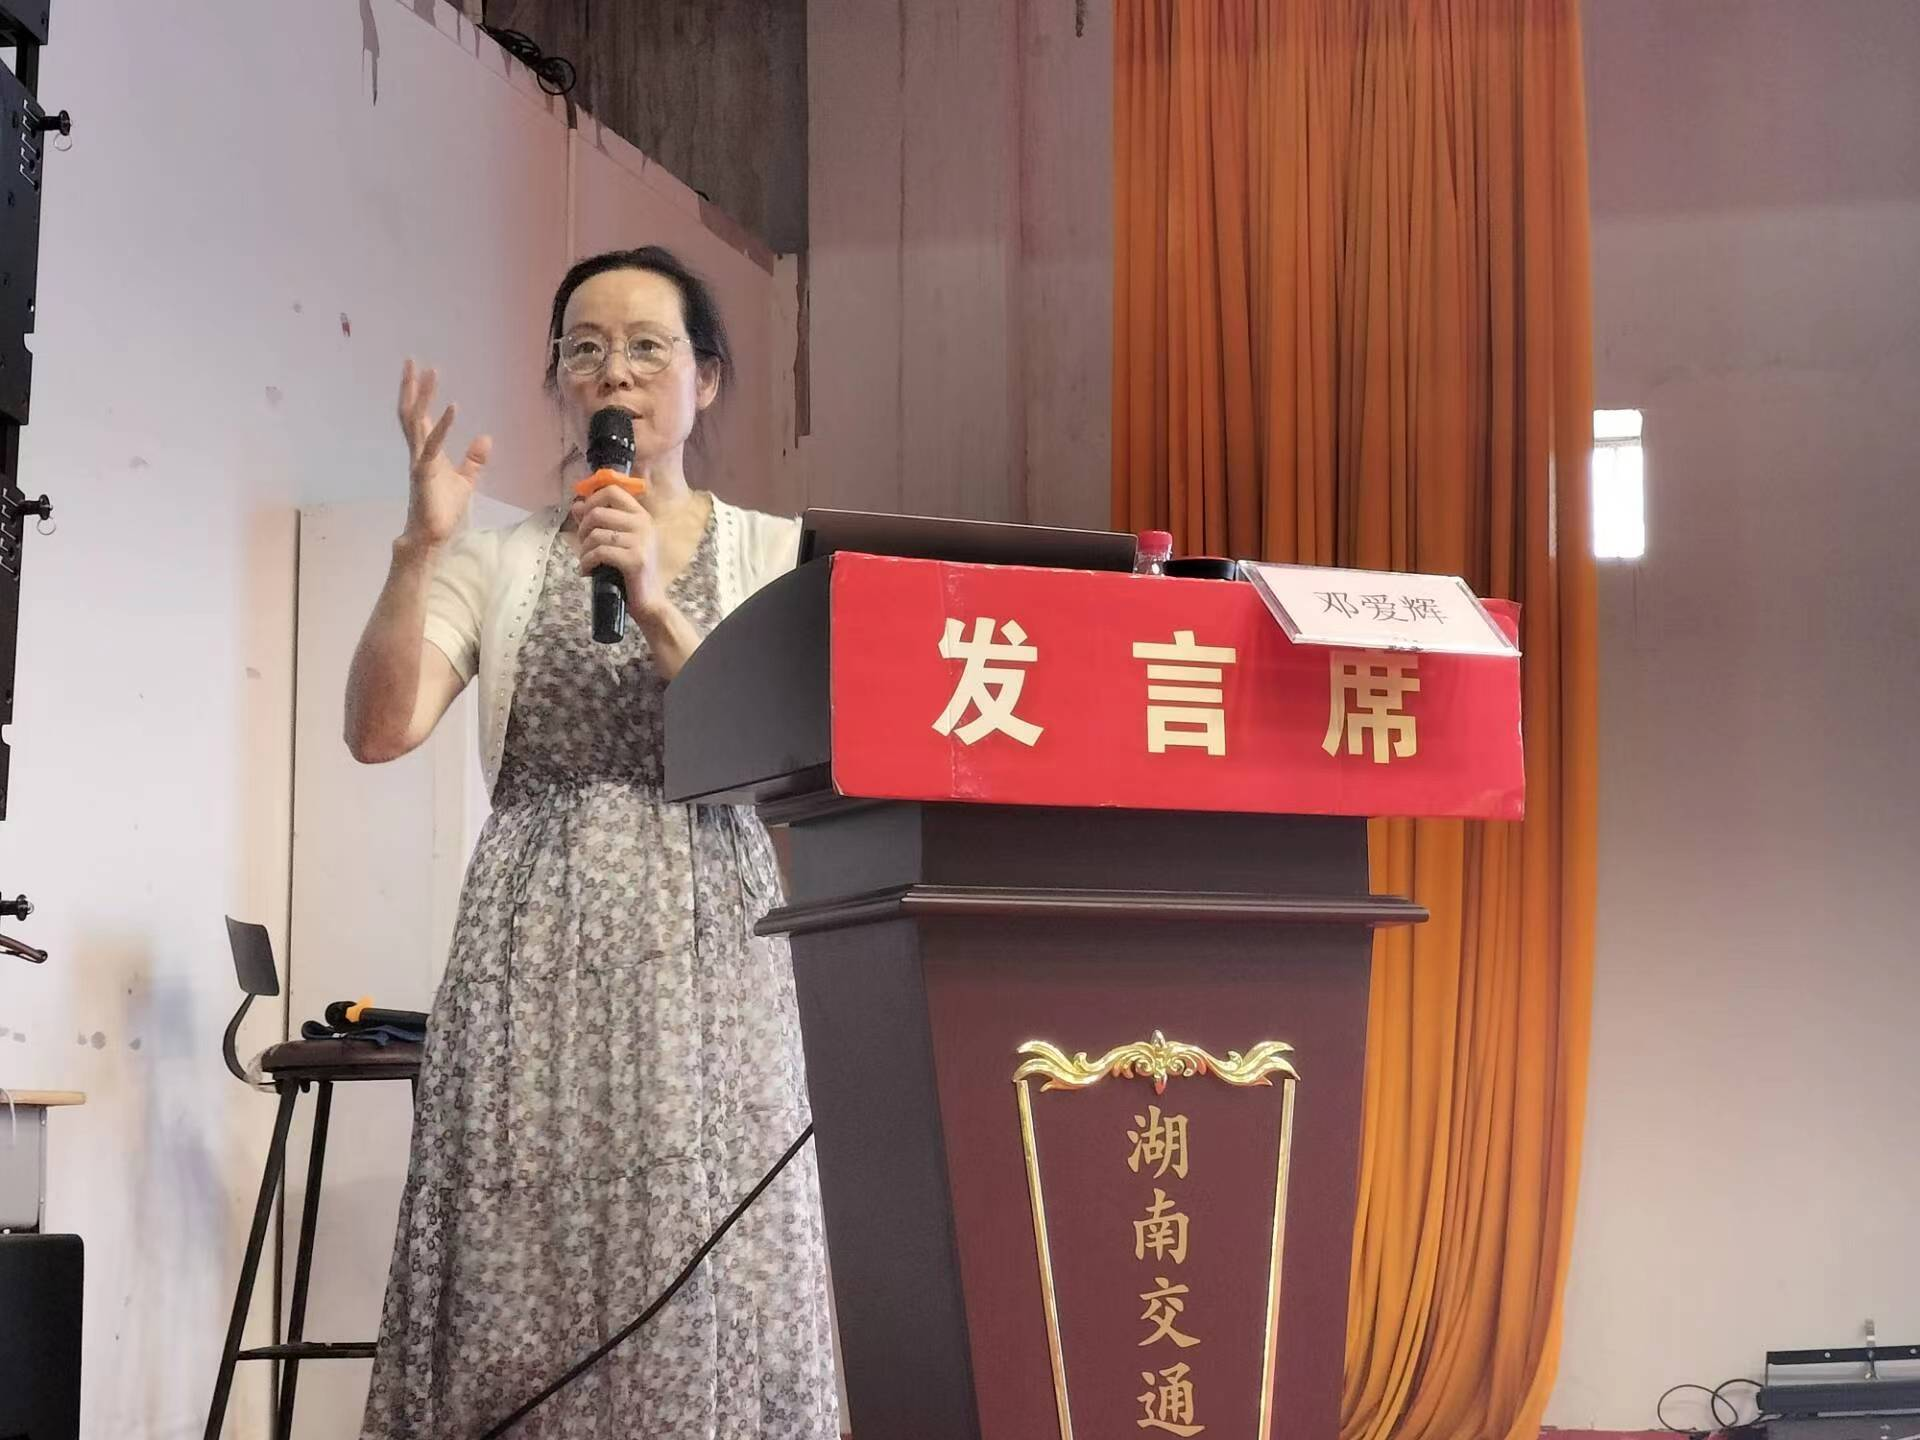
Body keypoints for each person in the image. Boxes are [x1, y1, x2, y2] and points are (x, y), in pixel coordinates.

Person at [344, 246, 838, 1439]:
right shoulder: (500, 555)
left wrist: (656, 601)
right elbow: (378, 730)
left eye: (646, 347)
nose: (614, 373)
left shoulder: (774, 550)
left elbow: (783, 762)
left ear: (704, 378)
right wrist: (418, 550)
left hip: (707, 929)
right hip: (534, 936)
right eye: (586, 349)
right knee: (523, 1227)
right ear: (561, 381)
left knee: (703, 1218)